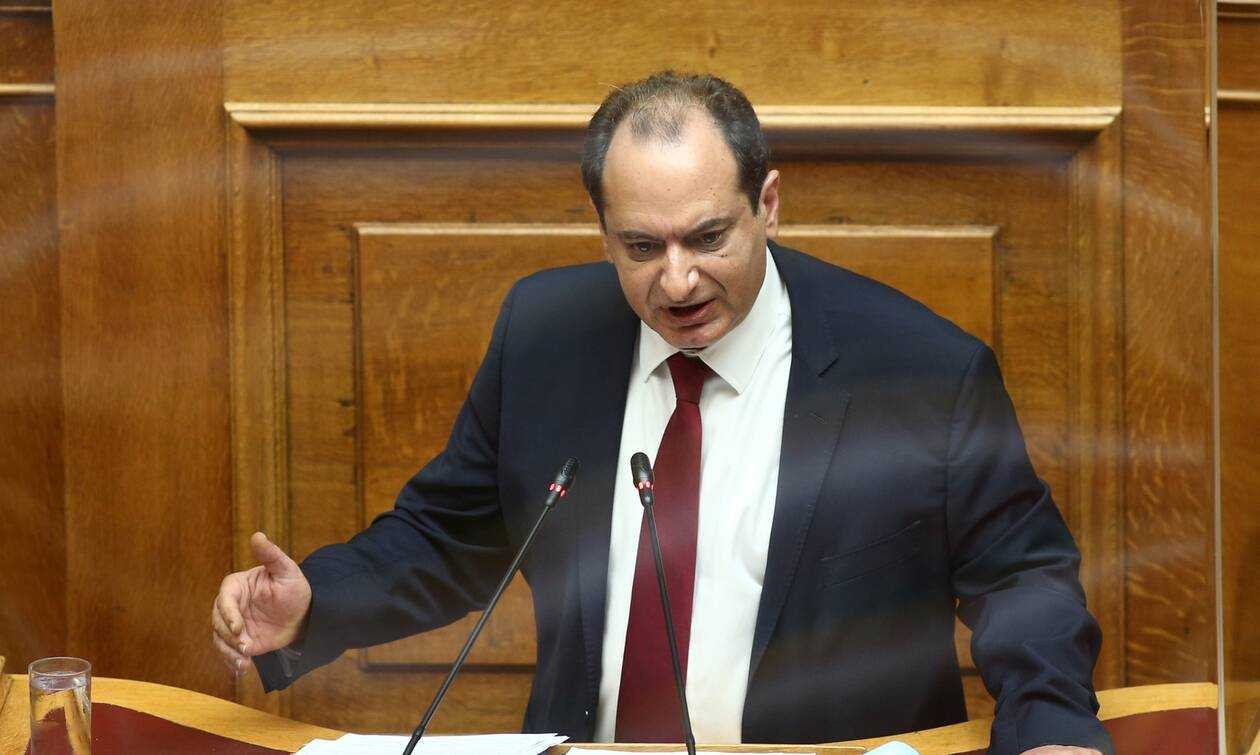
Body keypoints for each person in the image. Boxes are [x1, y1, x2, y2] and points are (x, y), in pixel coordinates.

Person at [211, 71, 1112, 755]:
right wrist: (315, 603)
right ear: (603, 232)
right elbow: (449, 537)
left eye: (708, 237)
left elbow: (1021, 579)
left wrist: (1051, 728)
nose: (678, 281)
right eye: (642, 246)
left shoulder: (919, 371)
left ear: (767, 205)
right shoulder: (546, 337)